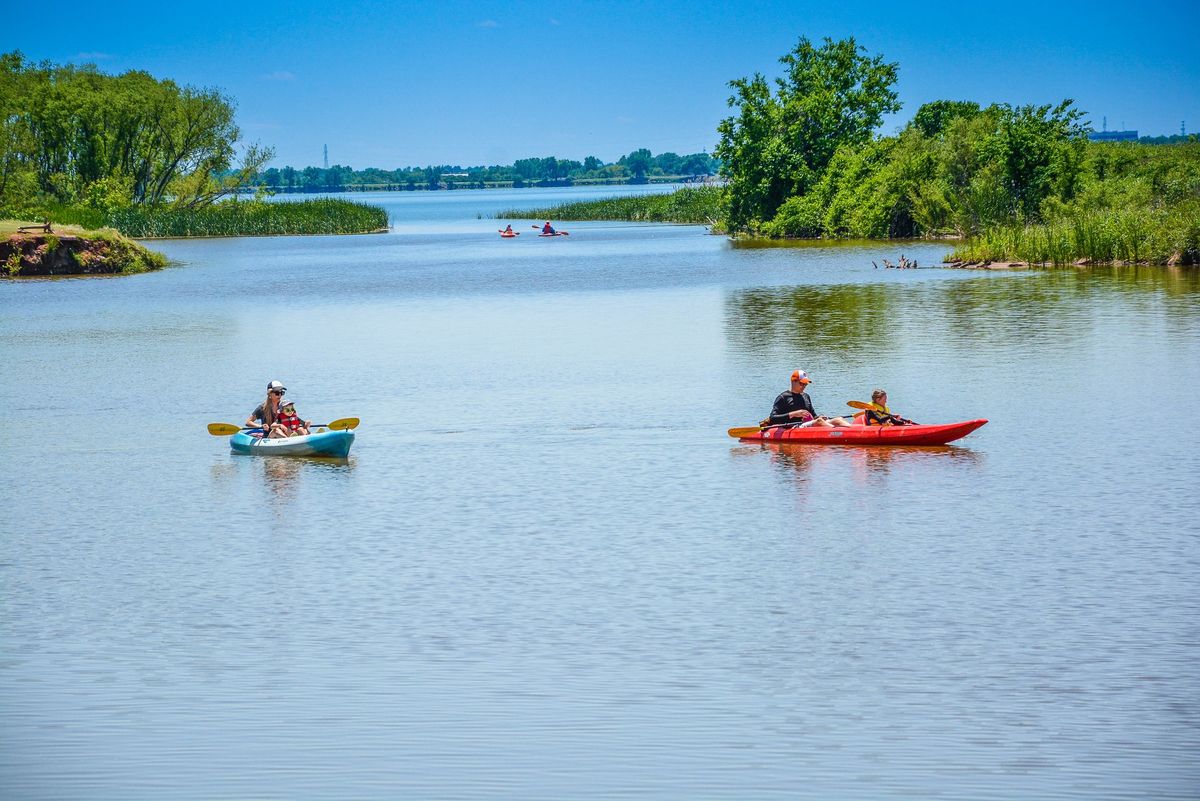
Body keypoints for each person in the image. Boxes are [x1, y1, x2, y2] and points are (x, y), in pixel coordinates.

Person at [767, 369, 851, 428]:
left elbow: (814, 416)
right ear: (793, 381)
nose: (804, 386)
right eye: (801, 383)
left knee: (838, 419)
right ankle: (835, 432)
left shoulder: (806, 396)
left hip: (808, 424)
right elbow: (773, 418)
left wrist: (820, 416)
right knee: (819, 422)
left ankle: (856, 431)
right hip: (795, 427)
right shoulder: (783, 397)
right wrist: (793, 414)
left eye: (805, 384)